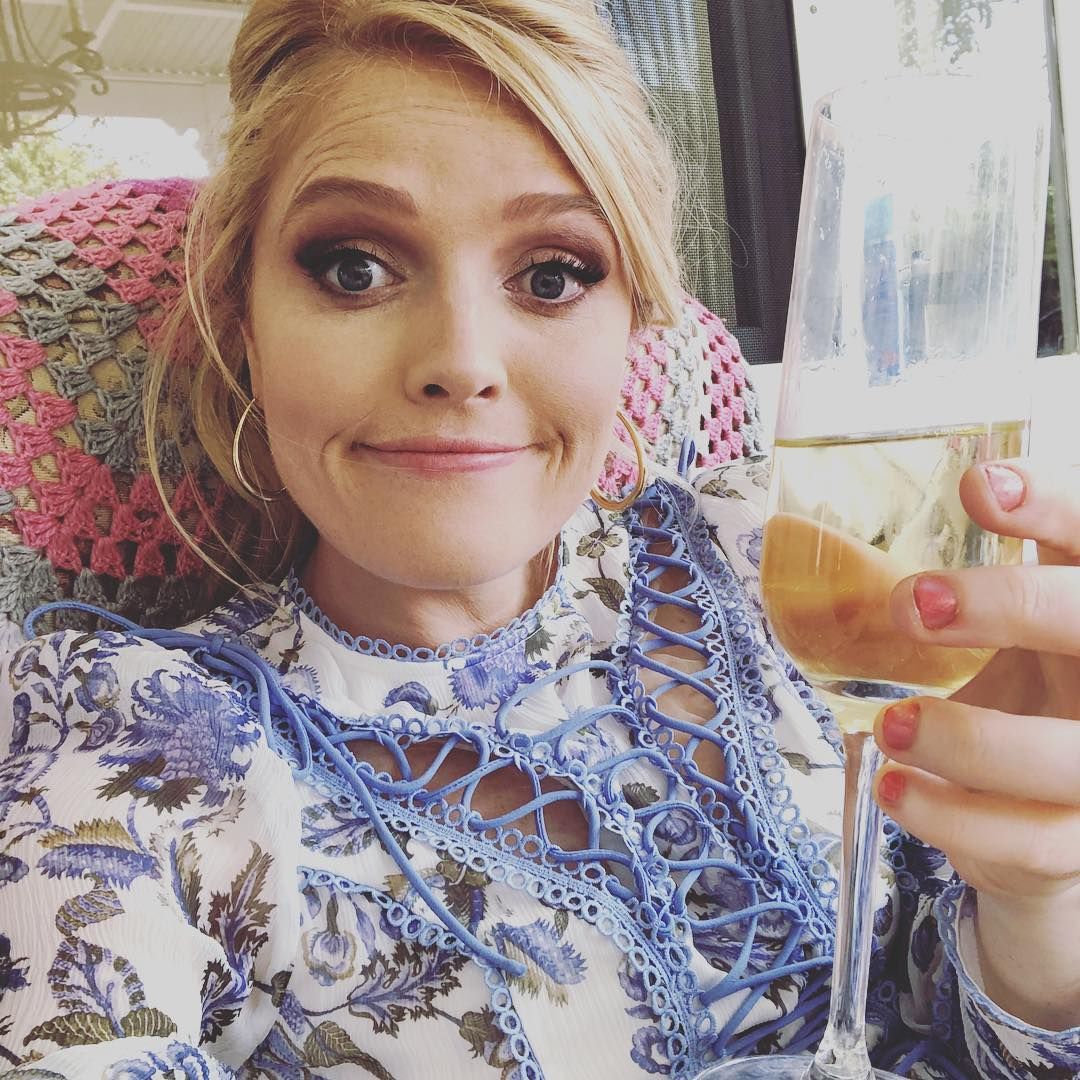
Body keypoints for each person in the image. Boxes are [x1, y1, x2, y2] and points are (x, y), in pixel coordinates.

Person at [2, 1, 1079, 1076]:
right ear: (245, 320)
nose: (462, 361)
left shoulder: (783, 562)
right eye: (354, 268)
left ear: (632, 325)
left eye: (553, 276)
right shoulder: (136, 742)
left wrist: (1040, 900)